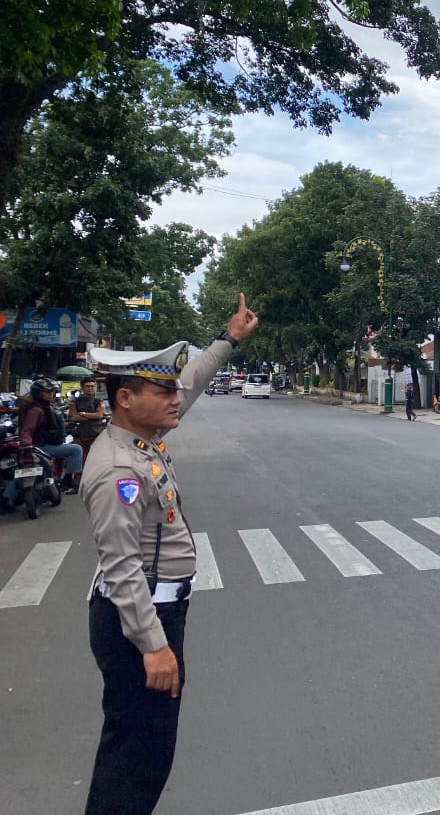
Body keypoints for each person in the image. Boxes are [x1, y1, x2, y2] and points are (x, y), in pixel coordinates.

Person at [80, 294, 258, 815]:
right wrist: (153, 645)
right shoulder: (119, 470)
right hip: (139, 618)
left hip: (155, 610)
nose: (175, 398)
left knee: (141, 748)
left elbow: (193, 379)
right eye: (161, 391)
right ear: (125, 399)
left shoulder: (140, 436)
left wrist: (227, 340)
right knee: (139, 755)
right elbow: (121, 567)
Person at [19, 376, 84, 492]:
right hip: (42, 447)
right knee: (76, 449)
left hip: (45, 444)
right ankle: (68, 480)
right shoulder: (37, 410)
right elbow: (27, 429)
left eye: (53, 392)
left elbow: (49, 426)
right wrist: (27, 445)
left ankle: (7, 497)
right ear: (39, 393)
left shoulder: (46, 407)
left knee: (24, 472)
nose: (51, 394)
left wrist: (67, 426)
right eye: (47, 392)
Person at [70, 378, 110, 460]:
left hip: (96, 434)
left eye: (92, 386)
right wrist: (92, 416)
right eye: (87, 386)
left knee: (96, 460)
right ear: (82, 387)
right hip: (79, 435)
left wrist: (83, 414)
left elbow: (99, 415)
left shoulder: (99, 401)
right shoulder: (75, 402)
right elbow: (74, 417)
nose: (90, 388)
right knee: (80, 461)